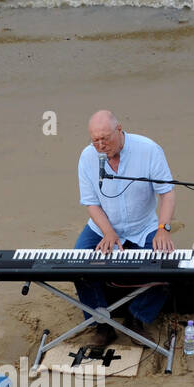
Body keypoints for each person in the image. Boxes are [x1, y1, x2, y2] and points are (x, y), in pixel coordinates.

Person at [74, 110, 175, 333]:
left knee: (167, 266)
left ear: (119, 130)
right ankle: (100, 323)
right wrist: (108, 233)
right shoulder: (87, 156)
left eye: (105, 139)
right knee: (78, 265)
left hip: (144, 226)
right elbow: (91, 203)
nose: (100, 145)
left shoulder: (148, 149)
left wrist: (163, 228)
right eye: (95, 140)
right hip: (102, 227)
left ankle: (137, 316)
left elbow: (166, 193)